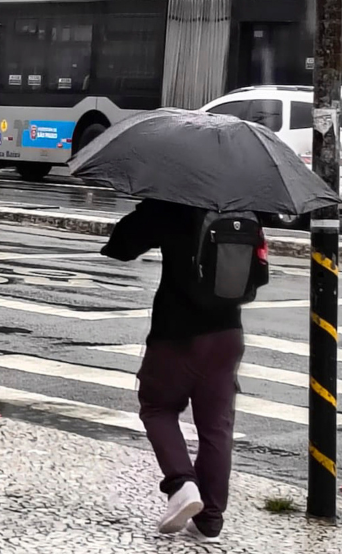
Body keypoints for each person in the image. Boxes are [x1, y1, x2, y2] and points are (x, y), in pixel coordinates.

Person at [102, 198, 266, 544]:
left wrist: (147, 209)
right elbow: (258, 274)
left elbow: (121, 247)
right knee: (216, 426)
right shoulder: (242, 202)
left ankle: (181, 485)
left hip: (175, 333)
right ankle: (210, 518)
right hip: (227, 333)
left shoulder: (173, 199)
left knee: (158, 407)